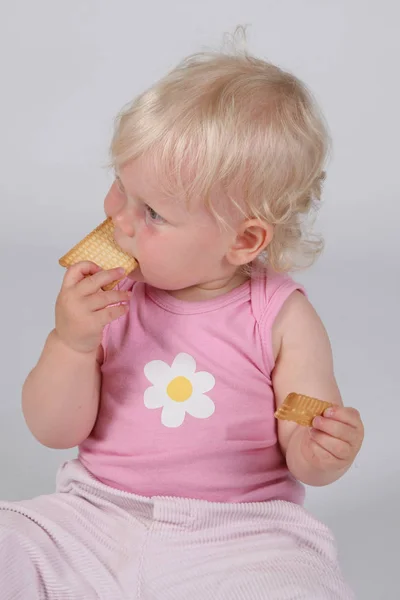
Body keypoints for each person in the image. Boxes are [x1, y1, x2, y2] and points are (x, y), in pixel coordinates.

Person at [0, 36, 364, 600]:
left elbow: (302, 420)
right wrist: (70, 342)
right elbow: (53, 431)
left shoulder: (281, 317)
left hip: (243, 536)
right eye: (120, 186)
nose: (118, 219)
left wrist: (319, 452)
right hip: (95, 515)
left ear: (243, 241)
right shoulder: (106, 296)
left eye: (152, 213)